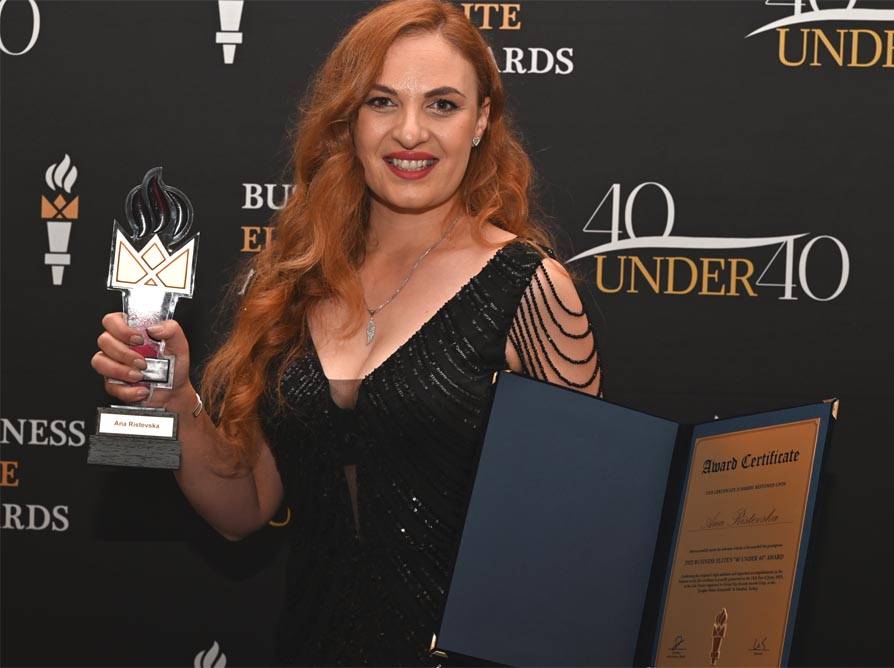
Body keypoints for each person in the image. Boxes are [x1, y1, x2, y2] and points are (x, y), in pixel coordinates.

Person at [91, 0, 603, 664]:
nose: (410, 132)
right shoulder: (295, 284)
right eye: (382, 102)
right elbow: (243, 510)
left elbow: (583, 532)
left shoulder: (529, 287)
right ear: (349, 120)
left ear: (481, 121)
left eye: (442, 105)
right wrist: (173, 401)